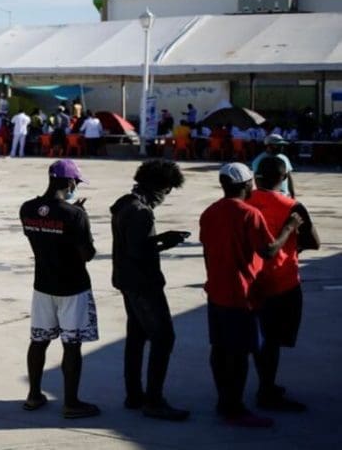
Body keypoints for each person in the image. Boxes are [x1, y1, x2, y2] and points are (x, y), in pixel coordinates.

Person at [199, 162, 302, 427]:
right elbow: (268, 251)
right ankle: (235, 408)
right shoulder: (249, 214)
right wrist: (289, 227)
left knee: (219, 350)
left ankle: (224, 401)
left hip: (216, 291)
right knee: (240, 354)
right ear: (247, 185)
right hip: (241, 294)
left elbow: (207, 250)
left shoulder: (210, 212)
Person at [19, 159, 100, 418]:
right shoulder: (75, 215)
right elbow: (87, 254)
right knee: (71, 345)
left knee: (39, 340)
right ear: (70, 182)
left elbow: (41, 238)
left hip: (43, 285)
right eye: (76, 183)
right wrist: (81, 219)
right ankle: (71, 403)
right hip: (72, 287)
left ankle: (33, 395)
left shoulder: (27, 208)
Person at [110, 159, 190, 421]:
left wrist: (161, 239)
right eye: (166, 190)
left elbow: (134, 244)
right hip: (143, 284)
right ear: (157, 186)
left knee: (136, 337)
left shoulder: (125, 203)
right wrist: (165, 242)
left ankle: (134, 394)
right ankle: (154, 400)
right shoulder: (141, 212)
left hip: (126, 280)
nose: (165, 196)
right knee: (163, 338)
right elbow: (139, 251)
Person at [247, 156, 321, 412]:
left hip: (252, 280)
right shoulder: (292, 206)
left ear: (256, 177)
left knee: (262, 337)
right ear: (283, 178)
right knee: (273, 340)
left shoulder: (245, 201)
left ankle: (266, 384)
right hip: (282, 280)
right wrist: (293, 246)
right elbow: (314, 242)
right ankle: (266, 390)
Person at [251, 134, 295, 198]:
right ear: (269, 146)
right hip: (268, 196)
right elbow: (258, 179)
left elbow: (289, 177)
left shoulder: (284, 158)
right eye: (278, 145)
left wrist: (293, 195)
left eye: (282, 145)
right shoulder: (259, 160)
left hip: (284, 195)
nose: (281, 147)